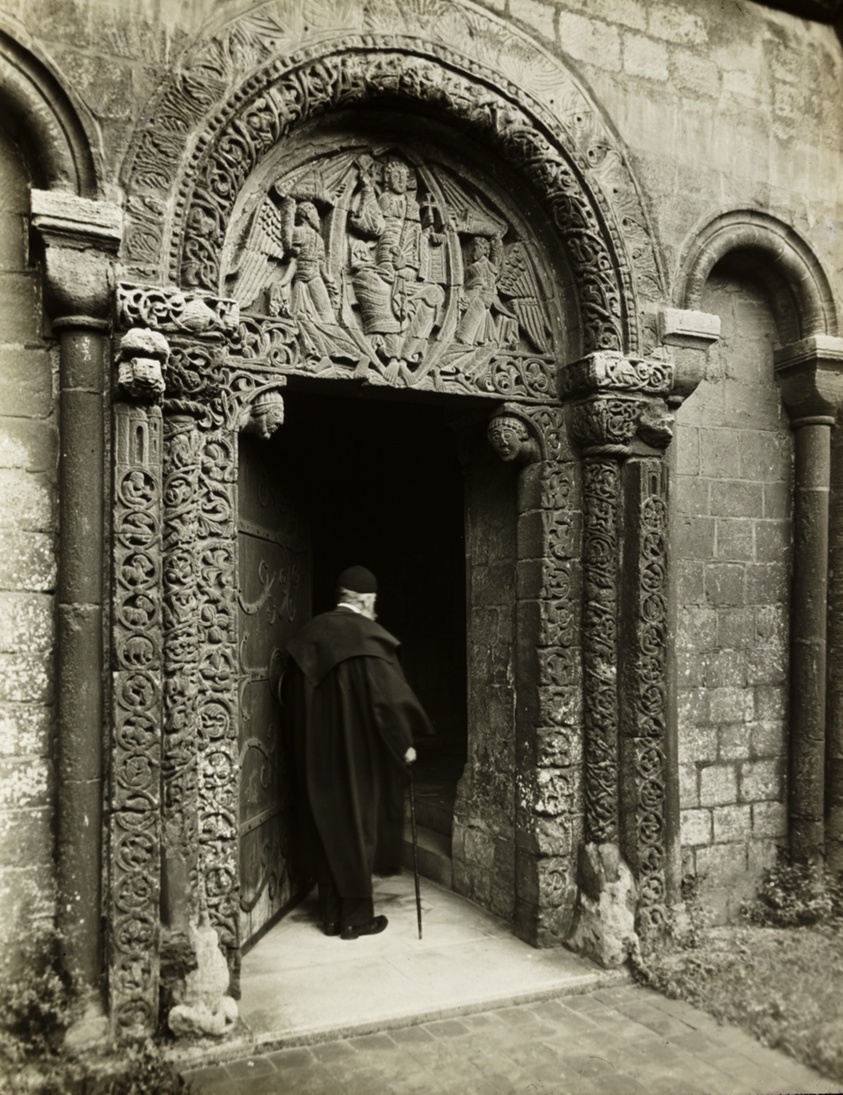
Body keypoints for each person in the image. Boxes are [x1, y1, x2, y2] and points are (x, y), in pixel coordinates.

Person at [281, 565, 432, 940]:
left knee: (329, 828)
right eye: (374, 604)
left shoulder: (309, 635)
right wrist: (404, 746)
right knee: (358, 830)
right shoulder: (369, 638)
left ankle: (331, 917)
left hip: (317, 758)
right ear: (364, 601)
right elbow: (388, 704)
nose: (375, 612)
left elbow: (291, 701)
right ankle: (356, 920)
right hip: (359, 758)